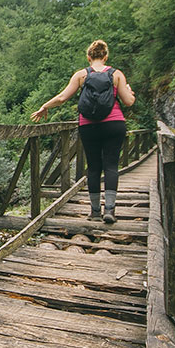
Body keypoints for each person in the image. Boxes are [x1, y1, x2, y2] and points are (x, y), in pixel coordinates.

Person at [30, 39, 136, 223]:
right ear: (105, 56)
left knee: (94, 167)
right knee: (111, 166)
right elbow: (128, 102)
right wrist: (129, 91)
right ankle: (109, 210)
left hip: (88, 125)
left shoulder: (81, 75)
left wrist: (44, 106)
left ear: (88, 57)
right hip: (114, 123)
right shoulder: (116, 74)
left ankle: (95, 212)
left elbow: (62, 97)